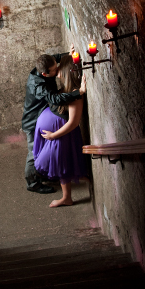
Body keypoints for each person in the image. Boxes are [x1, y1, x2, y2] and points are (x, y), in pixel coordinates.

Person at [21, 47, 85, 193]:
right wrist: (78, 92)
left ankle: (46, 176)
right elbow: (55, 99)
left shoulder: (46, 64)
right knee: (33, 154)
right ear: (44, 73)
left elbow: (55, 58)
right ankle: (33, 184)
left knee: (43, 150)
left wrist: (68, 55)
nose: (57, 72)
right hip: (32, 121)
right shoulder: (38, 86)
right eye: (55, 70)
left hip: (40, 116)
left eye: (57, 67)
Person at [33, 56, 88, 207]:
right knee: (61, 166)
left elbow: (73, 122)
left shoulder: (76, 94)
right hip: (56, 135)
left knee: (62, 167)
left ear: (67, 71)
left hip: (61, 135)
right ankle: (67, 197)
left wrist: (53, 135)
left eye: (59, 69)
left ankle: (66, 198)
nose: (57, 72)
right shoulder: (67, 89)